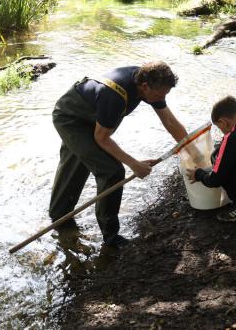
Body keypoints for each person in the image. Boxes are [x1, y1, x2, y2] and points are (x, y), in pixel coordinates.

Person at [50, 62, 188, 247]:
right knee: (112, 171)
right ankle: (111, 237)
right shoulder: (114, 95)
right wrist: (134, 164)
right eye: (160, 94)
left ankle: (59, 217)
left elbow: (170, 121)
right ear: (145, 87)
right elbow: (102, 138)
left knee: (77, 164)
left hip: (93, 118)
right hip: (71, 120)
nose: (162, 98)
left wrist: (191, 149)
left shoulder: (148, 82)